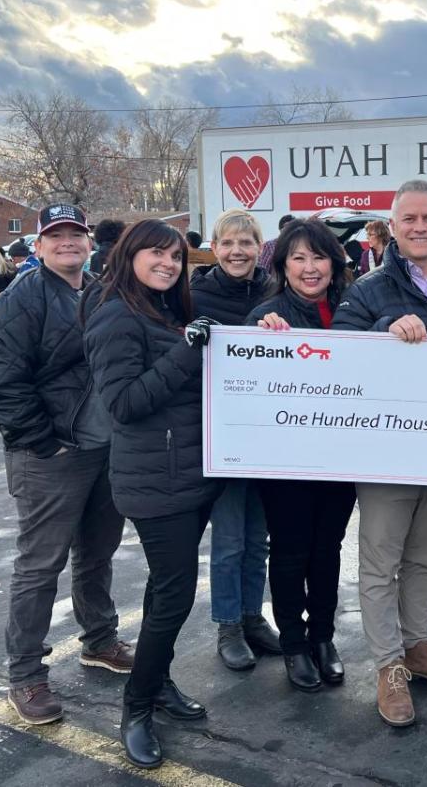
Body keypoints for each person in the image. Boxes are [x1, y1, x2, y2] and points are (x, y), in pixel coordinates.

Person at [332, 179, 427, 728]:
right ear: (392, 228)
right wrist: (383, 328)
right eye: (409, 219)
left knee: (424, 557)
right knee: (380, 564)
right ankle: (389, 666)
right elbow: (340, 349)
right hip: (387, 450)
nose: (420, 227)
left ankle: (419, 648)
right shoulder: (370, 286)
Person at [0, 203, 132, 727]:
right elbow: (0, 379)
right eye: (56, 235)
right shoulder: (19, 302)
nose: (67, 242)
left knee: (97, 552)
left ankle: (99, 639)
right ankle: (25, 674)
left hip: (105, 449)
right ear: (38, 246)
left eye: (76, 234)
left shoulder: (102, 289)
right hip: (51, 455)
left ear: (89, 242)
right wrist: (44, 442)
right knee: (40, 565)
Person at [82, 219, 223, 769]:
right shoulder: (116, 315)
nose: (168, 263)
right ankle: (135, 707)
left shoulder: (160, 309)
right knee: (175, 594)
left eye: (176, 256)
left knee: (166, 590)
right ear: (129, 255)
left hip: (188, 474)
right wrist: (187, 353)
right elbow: (123, 403)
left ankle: (157, 683)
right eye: (156, 254)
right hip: (154, 481)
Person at [248, 218, 358, 692]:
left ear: (334, 264)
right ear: (283, 266)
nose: (310, 267)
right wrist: (259, 336)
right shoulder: (267, 316)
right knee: (291, 552)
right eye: (299, 258)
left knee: (327, 551)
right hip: (286, 462)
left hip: (340, 457)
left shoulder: (352, 310)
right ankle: (295, 643)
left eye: (319, 257)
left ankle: (323, 638)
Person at [189, 209, 282, 669]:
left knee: (258, 537)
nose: (237, 252)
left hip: (267, 433)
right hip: (223, 436)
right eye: (228, 243)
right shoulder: (194, 295)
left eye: (246, 243)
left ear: (258, 246)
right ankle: (228, 624)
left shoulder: (273, 290)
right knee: (228, 539)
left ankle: (252, 616)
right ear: (214, 246)